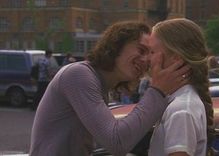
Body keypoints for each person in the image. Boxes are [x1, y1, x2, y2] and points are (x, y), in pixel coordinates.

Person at [29, 21, 190, 156]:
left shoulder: (97, 83)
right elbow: (117, 142)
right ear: (116, 45)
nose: (146, 60)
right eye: (141, 50)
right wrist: (158, 90)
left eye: (150, 54)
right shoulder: (78, 75)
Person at [148, 18, 214, 156]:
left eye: (152, 52)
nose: (147, 59)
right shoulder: (180, 102)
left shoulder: (181, 109)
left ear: (176, 59)